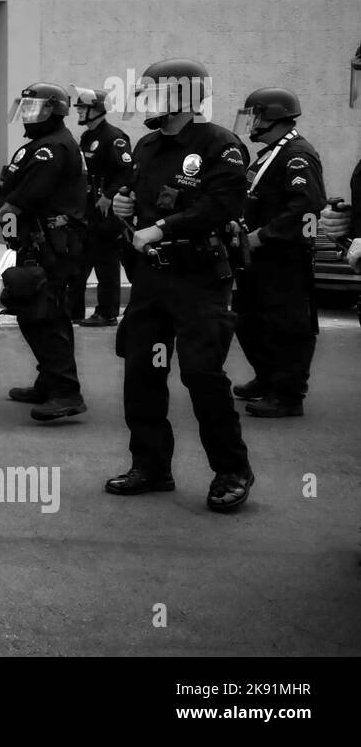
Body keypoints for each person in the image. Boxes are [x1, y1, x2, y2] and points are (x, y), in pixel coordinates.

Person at [106, 57, 254, 512]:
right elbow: (135, 195)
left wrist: (164, 228)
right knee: (142, 374)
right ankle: (150, 466)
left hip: (199, 280)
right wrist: (122, 205)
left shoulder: (220, 145)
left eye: (156, 93)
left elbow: (222, 205)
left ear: (183, 97)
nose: (146, 101)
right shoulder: (148, 146)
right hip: (152, 279)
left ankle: (232, 470)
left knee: (201, 374)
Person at [0, 82, 87, 421]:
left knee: (47, 316)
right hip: (37, 244)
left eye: (34, 109)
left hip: (52, 247)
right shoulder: (41, 146)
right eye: (25, 109)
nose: (26, 117)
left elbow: (26, 198)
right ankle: (49, 381)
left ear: (54, 110)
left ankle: (66, 392)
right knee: (35, 314)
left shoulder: (52, 149)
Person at [230, 88, 326, 418]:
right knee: (249, 320)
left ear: (271, 118)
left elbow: (307, 208)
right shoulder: (270, 153)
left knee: (287, 325)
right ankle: (268, 377)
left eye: (254, 117)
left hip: (282, 257)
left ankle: (288, 394)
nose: (250, 125)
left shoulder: (297, 155)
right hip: (256, 258)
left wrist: (262, 236)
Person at [66, 86, 132, 326]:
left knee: (106, 267)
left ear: (97, 110)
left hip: (107, 214)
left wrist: (109, 195)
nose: (79, 112)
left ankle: (107, 313)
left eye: (83, 108)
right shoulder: (86, 137)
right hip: (87, 214)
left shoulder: (114, 137)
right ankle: (72, 312)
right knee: (77, 266)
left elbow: (127, 173)